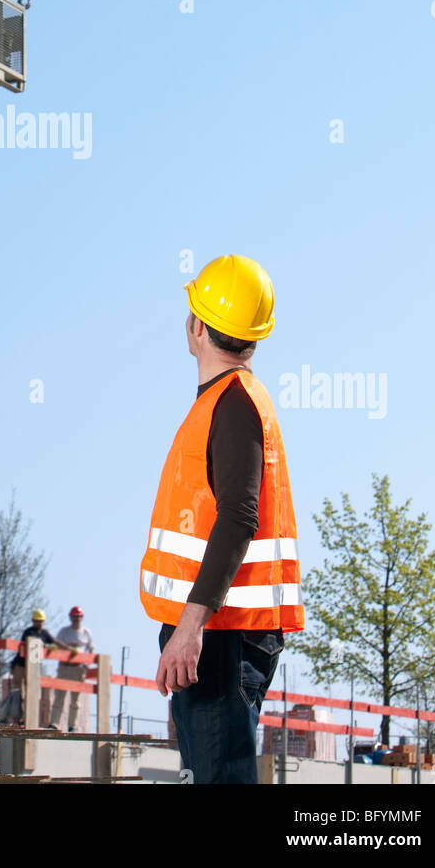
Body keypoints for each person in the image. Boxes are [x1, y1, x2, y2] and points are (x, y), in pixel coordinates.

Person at [140, 254, 304, 784]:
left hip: (220, 634)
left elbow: (238, 518)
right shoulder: (227, 402)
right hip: (216, 630)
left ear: (198, 326)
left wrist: (190, 627)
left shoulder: (233, 404)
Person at [8, 609, 61, 722]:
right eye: (36, 621)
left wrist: (63, 648)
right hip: (20, 666)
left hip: (33, 668)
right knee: (19, 692)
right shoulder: (29, 632)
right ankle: (17, 718)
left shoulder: (44, 633)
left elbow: (54, 642)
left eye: (40, 621)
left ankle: (28, 718)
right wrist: (45, 645)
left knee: (32, 693)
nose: (38, 623)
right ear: (33, 621)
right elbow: (31, 642)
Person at [49, 606, 95, 732]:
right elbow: (56, 645)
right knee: (59, 698)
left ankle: (72, 726)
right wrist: (68, 647)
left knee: (76, 700)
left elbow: (91, 649)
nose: (76, 619)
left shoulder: (86, 633)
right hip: (65, 667)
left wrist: (88, 664)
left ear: (82, 618)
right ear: (70, 617)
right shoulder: (64, 632)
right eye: (74, 617)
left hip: (79, 669)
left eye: (78, 617)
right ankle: (54, 724)